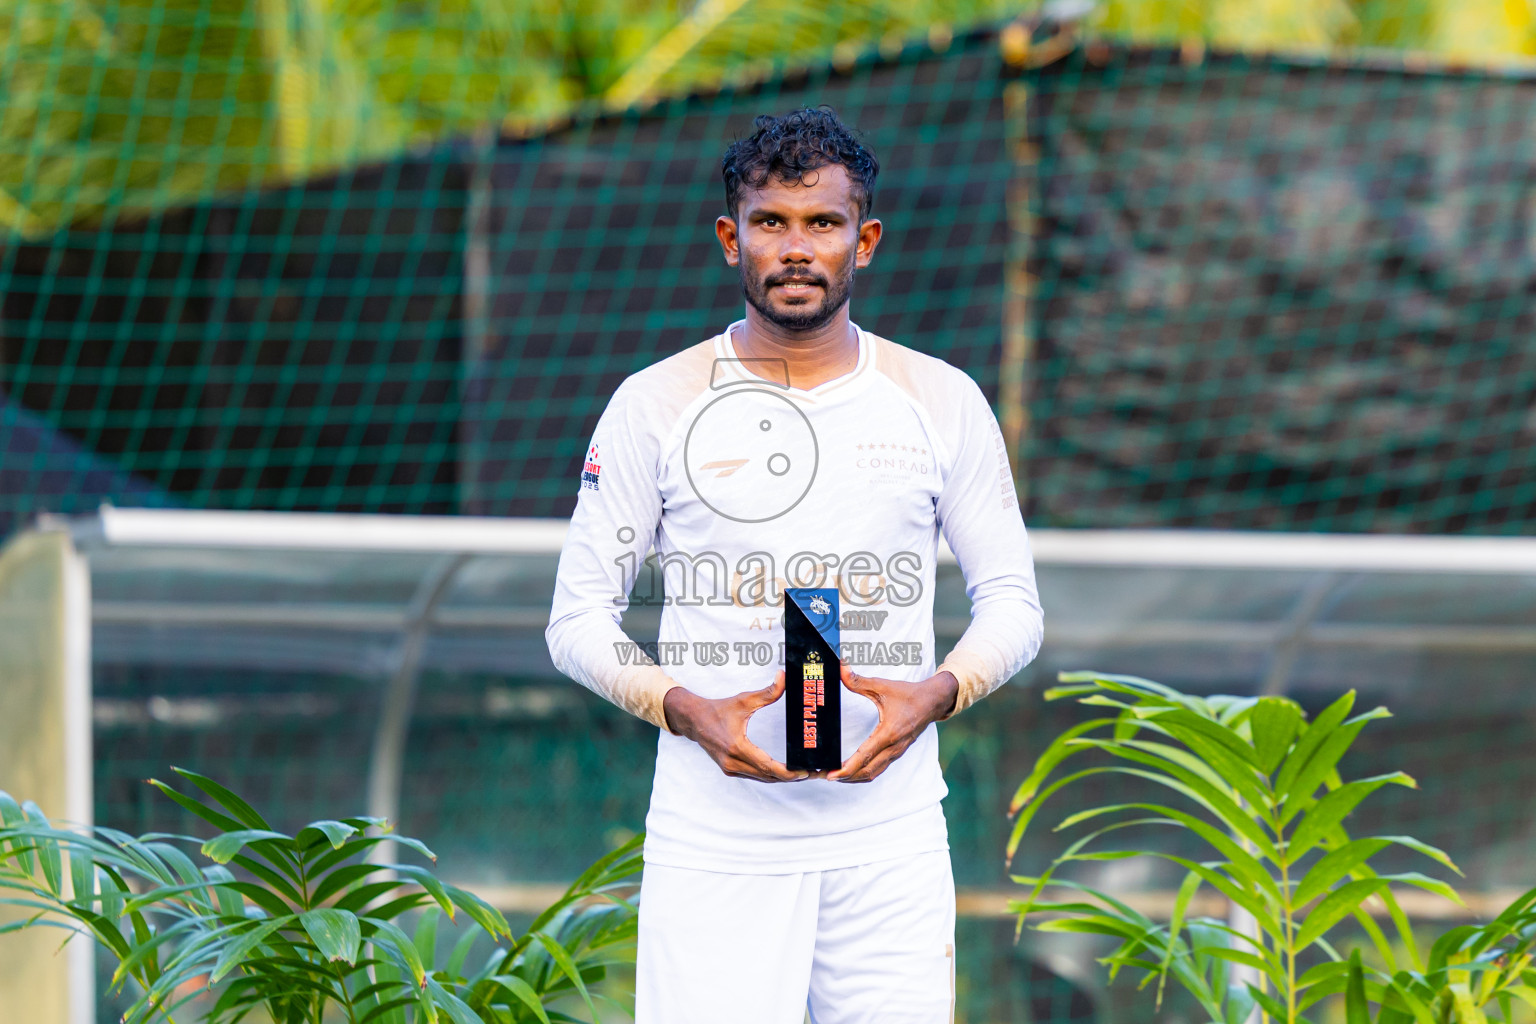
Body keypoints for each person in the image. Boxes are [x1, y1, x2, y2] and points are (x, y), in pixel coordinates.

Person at [546, 106, 1043, 1024]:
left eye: (824, 223)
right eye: (773, 222)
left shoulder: (941, 400)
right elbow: (575, 619)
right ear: (733, 237)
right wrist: (681, 707)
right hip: (714, 839)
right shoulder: (654, 403)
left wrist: (937, 692)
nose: (798, 247)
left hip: (889, 836)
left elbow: (1013, 604)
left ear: (867, 240)